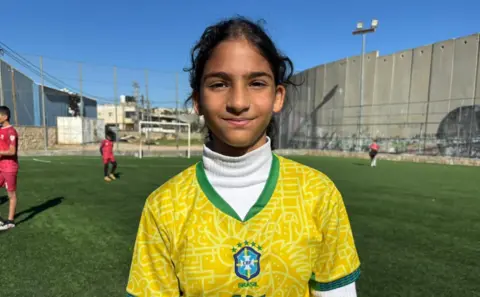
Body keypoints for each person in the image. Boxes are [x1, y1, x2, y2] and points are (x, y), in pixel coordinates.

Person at [126, 17, 360, 297]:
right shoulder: (163, 207)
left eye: (257, 83)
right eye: (219, 84)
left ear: (278, 96)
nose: (238, 102)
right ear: (198, 100)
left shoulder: (319, 194)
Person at [0, 106, 19, 231]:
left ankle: (10, 221)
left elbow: (12, 151)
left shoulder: (11, 132)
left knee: (11, 194)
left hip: (9, 167)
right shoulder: (1, 130)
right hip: (1, 166)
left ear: (5, 117)